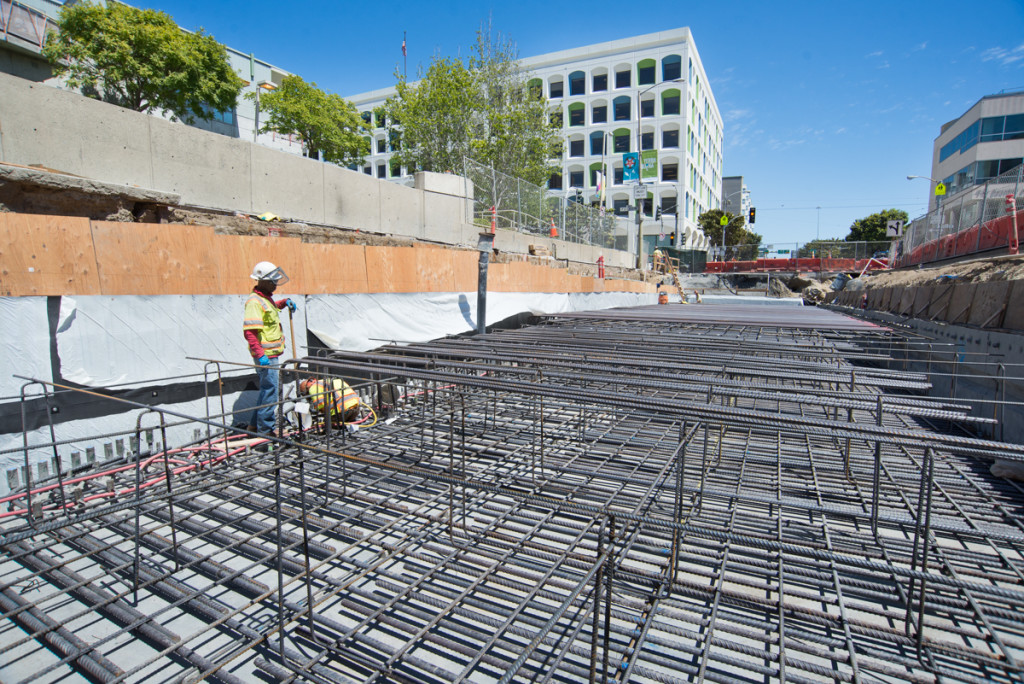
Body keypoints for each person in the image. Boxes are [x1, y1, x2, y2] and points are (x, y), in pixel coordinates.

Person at [243, 261, 296, 436]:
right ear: (262, 281)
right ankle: (266, 430)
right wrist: (261, 356)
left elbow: (270, 311)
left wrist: (283, 303)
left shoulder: (265, 298)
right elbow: (250, 333)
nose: (275, 285)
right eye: (272, 282)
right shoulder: (254, 302)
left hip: (271, 354)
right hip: (265, 355)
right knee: (272, 391)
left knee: (267, 390)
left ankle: (253, 426)